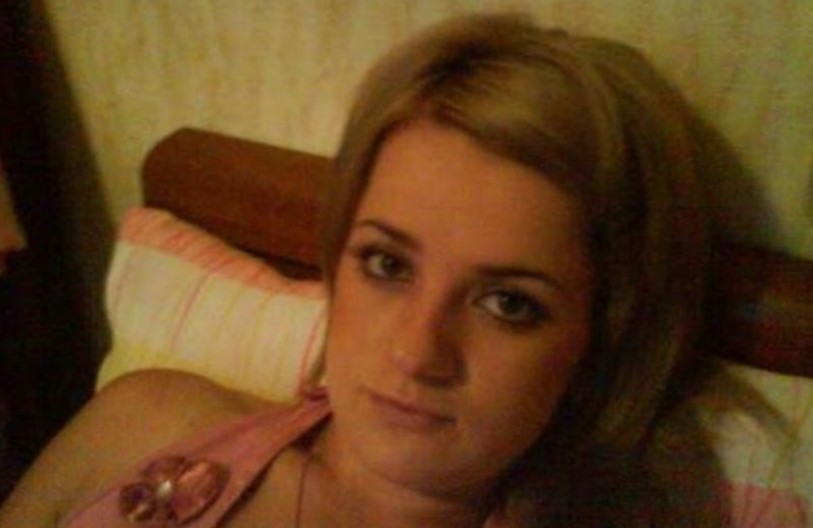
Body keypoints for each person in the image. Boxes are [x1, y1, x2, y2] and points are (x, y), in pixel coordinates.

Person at [0, 13, 719, 527]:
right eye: (387, 263)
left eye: (508, 303)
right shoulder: (144, 420)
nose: (416, 351)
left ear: (598, 344)